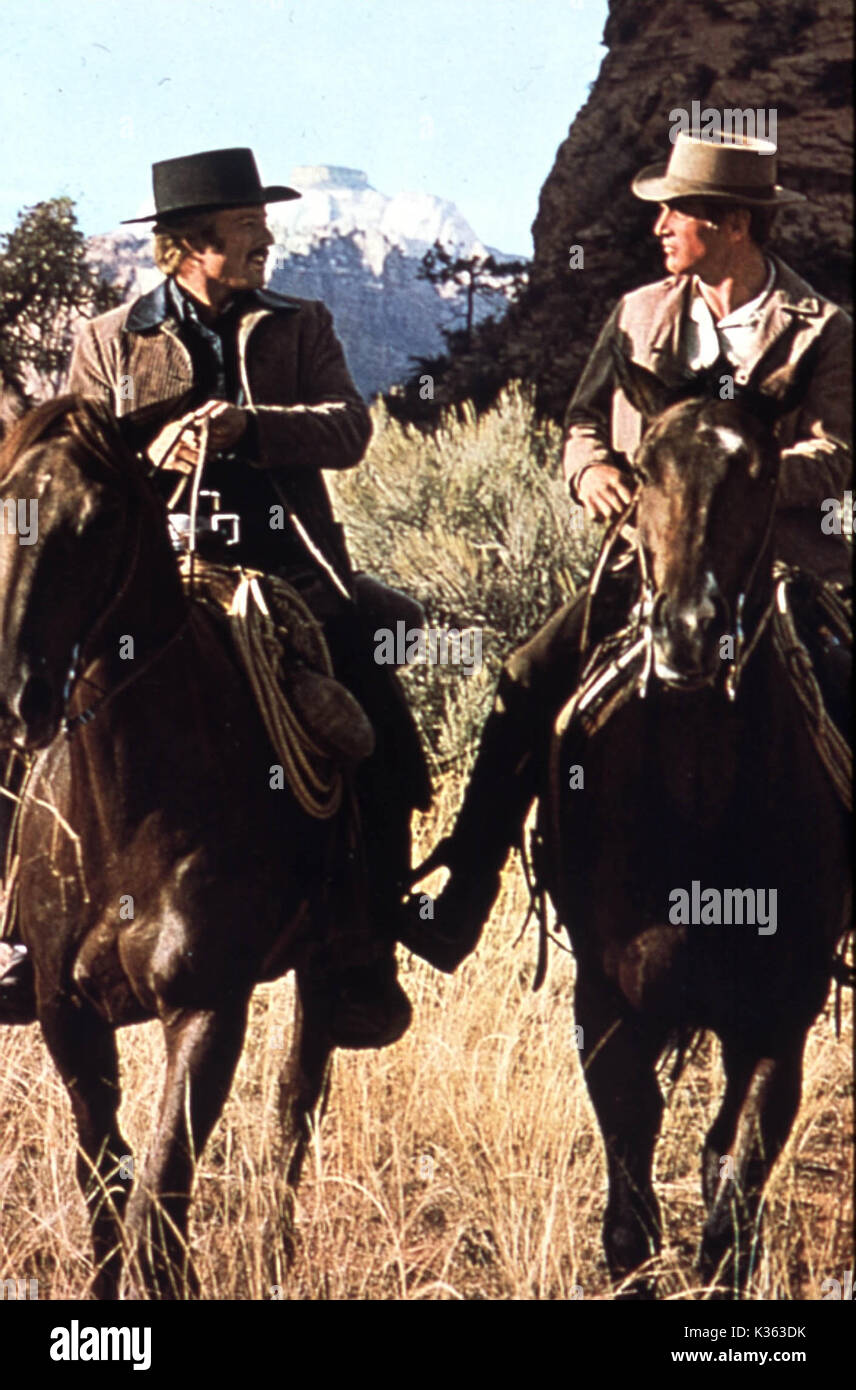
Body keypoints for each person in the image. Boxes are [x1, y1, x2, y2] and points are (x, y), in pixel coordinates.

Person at [0, 148, 430, 1047]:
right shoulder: (109, 338)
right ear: (190, 246)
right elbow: (78, 455)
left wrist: (251, 428)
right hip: (150, 569)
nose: (264, 243)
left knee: (369, 697)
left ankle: (364, 938)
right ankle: (14, 931)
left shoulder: (299, 324)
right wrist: (149, 458)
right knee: (23, 698)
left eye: (260, 230)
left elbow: (349, 426)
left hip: (286, 570)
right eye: (246, 231)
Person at [401, 129, 852, 974]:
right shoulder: (638, 314)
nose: (660, 227)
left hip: (775, 570)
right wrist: (593, 475)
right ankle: (464, 894)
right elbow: (580, 423)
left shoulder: (823, 329)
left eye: (677, 212)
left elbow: (836, 456)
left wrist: (729, 481)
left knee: (845, 692)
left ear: (734, 225)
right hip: (646, 564)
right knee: (527, 679)